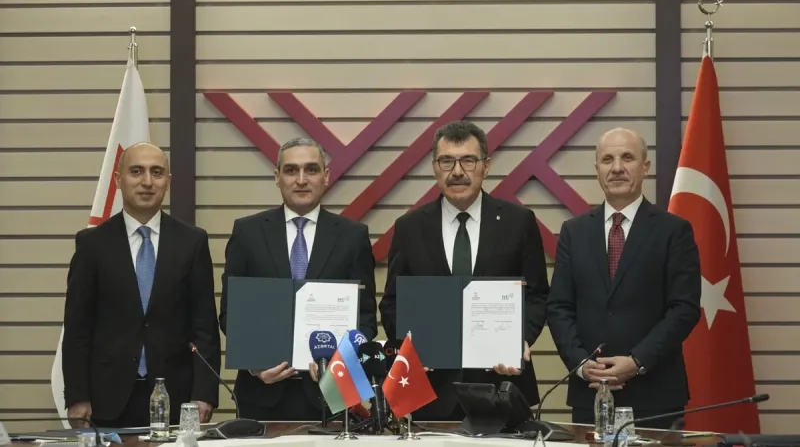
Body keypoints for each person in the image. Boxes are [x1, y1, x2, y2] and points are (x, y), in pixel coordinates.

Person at [379, 120, 550, 420]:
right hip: (429, 390)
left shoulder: (518, 222)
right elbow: (392, 302)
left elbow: (537, 296)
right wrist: (410, 347)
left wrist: (518, 339)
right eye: (447, 161)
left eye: (468, 161)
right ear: (435, 167)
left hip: (502, 385)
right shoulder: (409, 228)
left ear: (486, 165)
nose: (457, 172)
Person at [546, 127, 702, 429]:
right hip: (590, 392)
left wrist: (637, 361)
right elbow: (558, 307)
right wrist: (581, 364)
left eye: (627, 158)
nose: (617, 168)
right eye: (607, 160)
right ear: (597, 169)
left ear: (645, 167)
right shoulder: (574, 232)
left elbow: (684, 308)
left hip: (655, 394)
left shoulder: (674, 231)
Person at [62, 142, 221, 428]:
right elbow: (77, 329)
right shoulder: (92, 244)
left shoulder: (192, 242)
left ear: (167, 181)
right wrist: (77, 396)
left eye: (156, 172)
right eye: (136, 171)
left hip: (177, 397)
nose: (147, 181)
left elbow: (204, 327)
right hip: (105, 398)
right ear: (118, 179)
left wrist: (204, 393)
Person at [219, 137, 378, 421]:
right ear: (277, 177)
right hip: (261, 393)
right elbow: (231, 314)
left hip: (332, 394)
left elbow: (365, 318)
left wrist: (340, 359)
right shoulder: (247, 233)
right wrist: (255, 365)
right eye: (291, 170)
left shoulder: (353, 236)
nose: (301, 180)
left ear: (326, 176)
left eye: (311, 169)